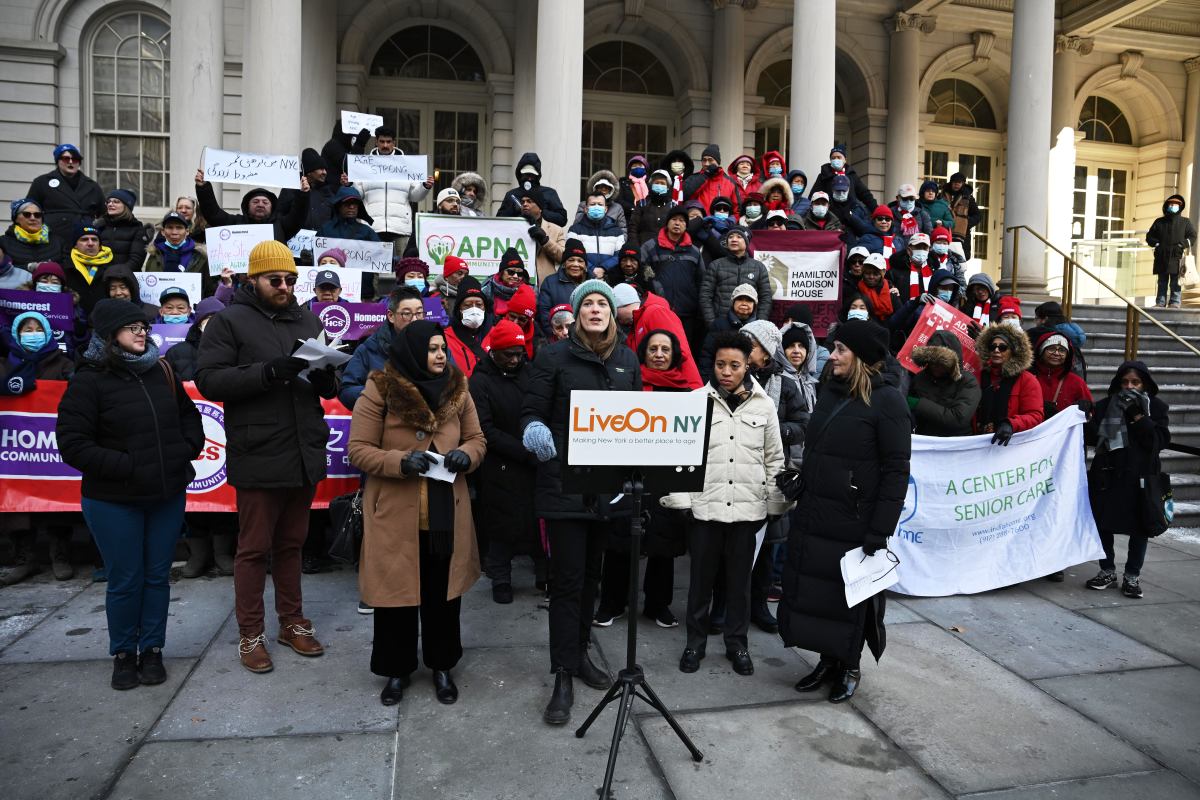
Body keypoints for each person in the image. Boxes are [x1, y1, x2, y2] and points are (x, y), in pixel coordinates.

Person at [195, 240, 341, 674]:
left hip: (303, 448)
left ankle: (292, 622)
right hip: (259, 450)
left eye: (291, 279)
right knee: (254, 549)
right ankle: (250, 634)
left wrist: (327, 377)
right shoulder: (229, 321)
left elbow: (326, 382)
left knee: (292, 544)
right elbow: (209, 380)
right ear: (253, 279)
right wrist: (267, 371)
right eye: (275, 279)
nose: (284, 286)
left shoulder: (308, 317)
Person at [56, 299, 203, 689]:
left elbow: (189, 417)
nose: (142, 331)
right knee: (126, 579)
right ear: (109, 336)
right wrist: (129, 466)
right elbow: (72, 444)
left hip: (165, 494)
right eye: (132, 326)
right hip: (113, 500)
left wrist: (185, 450)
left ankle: (152, 650)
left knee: (157, 577)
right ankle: (123, 653)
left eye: (143, 325)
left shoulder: (162, 370)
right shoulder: (88, 380)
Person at [347, 319, 485, 706]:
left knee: (443, 595)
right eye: (433, 349)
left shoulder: (458, 388)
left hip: (446, 515)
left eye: (444, 348)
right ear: (412, 352)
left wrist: (467, 455)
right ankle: (396, 670)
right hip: (396, 513)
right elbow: (358, 449)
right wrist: (399, 461)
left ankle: (442, 666)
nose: (441, 355)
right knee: (396, 596)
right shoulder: (380, 388)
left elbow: (477, 438)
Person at [521, 279, 636, 725]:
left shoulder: (627, 359)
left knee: (593, 579)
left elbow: (634, 421)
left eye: (600, 303)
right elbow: (531, 411)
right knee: (567, 585)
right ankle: (563, 673)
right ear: (576, 312)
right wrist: (536, 431)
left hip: (608, 489)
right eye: (586, 303)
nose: (594, 309)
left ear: (611, 312)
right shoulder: (552, 356)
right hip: (564, 486)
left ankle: (582, 653)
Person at [780, 319, 910, 703]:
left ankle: (849, 663)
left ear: (863, 358)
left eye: (840, 350)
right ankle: (827, 660)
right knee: (820, 596)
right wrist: (801, 481)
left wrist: (880, 529)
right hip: (818, 513)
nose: (831, 356)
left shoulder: (889, 402)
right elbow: (821, 451)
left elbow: (896, 470)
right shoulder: (832, 392)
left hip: (855, 520)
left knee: (849, 599)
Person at [666, 331, 790, 677]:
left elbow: (774, 459)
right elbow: (680, 457)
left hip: (747, 511)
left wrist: (774, 504)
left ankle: (737, 645)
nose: (726, 371)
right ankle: (695, 643)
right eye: (721, 364)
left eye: (734, 365)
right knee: (700, 584)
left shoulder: (764, 407)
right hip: (706, 510)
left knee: (739, 586)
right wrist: (683, 502)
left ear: (746, 365)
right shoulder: (696, 403)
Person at [593, 328, 698, 631]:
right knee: (620, 540)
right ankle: (612, 603)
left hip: (666, 475)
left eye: (665, 349)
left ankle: (658, 604)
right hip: (629, 471)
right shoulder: (628, 383)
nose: (659, 354)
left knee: (664, 542)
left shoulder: (687, 390)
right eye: (653, 349)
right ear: (643, 353)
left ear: (674, 354)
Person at [469, 320, 546, 604]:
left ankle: (544, 573)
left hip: (533, 459)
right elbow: (484, 429)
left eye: (518, 353)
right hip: (501, 462)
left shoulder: (530, 373)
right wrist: (525, 451)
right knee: (501, 525)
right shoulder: (480, 380)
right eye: (508, 354)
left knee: (538, 521)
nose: (515, 359)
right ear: (494, 353)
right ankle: (500, 578)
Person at [160, 297, 237, 579]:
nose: (213, 327)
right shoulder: (178, 352)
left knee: (224, 494)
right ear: (198, 323)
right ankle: (198, 553)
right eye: (208, 321)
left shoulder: (235, 350)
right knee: (194, 492)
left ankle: (223, 552)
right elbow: (166, 385)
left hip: (224, 432)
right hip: (189, 430)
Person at [1083, 361, 1171, 599]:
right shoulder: (1104, 407)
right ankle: (1107, 570)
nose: (1129, 387)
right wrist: (1084, 416)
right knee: (1102, 524)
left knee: (1139, 528)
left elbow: (1156, 442)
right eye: (1124, 382)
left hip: (1140, 477)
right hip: (1108, 474)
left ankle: (1132, 575)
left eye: (1135, 382)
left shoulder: (1158, 408)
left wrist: (1138, 416)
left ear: (1145, 384)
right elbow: (1091, 436)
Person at [339, 285, 425, 409]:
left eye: (419, 313)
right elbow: (347, 391)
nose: (415, 319)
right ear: (391, 316)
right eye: (407, 314)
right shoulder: (369, 348)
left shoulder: (434, 344)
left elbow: (453, 385)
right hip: (383, 423)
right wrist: (383, 393)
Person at [357, 127, 436, 252]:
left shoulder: (407, 164)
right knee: (373, 270)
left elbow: (415, 196)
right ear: (376, 142)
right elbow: (358, 194)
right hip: (372, 227)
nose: (385, 145)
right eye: (382, 141)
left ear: (394, 143)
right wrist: (349, 184)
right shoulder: (364, 164)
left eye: (388, 142)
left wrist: (425, 187)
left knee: (401, 269)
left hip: (400, 228)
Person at [639, 206, 703, 351]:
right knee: (659, 348)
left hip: (687, 311)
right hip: (659, 309)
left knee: (683, 350)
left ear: (686, 225)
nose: (677, 223)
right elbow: (642, 270)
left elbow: (701, 279)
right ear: (667, 223)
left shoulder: (694, 251)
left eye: (681, 221)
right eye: (674, 219)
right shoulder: (651, 246)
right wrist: (657, 291)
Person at [194, 169, 310, 245]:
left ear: (272, 207)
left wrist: (303, 194)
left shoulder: (281, 225)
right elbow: (213, 214)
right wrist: (204, 188)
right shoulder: (235, 222)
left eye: (265, 202)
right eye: (255, 202)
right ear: (247, 206)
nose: (260, 204)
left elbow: (298, 215)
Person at [972, 322, 1043, 441]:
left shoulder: (1027, 380)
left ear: (1013, 352)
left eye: (1002, 347)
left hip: (1010, 446)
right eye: (992, 346)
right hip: (978, 443)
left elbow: (1035, 416)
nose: (996, 350)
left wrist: (1011, 424)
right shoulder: (977, 376)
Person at [907, 330, 981, 436]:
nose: (935, 366)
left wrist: (918, 404)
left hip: (956, 443)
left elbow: (959, 418)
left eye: (941, 363)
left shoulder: (968, 381)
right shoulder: (920, 378)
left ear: (953, 363)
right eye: (932, 361)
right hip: (925, 441)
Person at [25, 143, 105, 236]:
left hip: (84, 239)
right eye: (66, 159)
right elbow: (29, 211)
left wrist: (95, 227)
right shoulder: (42, 182)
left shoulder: (92, 186)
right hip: (52, 238)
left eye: (75, 159)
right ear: (58, 161)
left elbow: (104, 214)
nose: (71, 162)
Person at [700, 226, 773, 328]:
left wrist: (759, 324)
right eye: (730, 237)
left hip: (750, 325)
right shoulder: (716, 265)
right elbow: (705, 296)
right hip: (721, 323)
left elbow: (765, 297)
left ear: (746, 241)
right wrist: (712, 323)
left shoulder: (759, 267)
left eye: (739, 237)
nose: (734, 239)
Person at [697, 283, 757, 378]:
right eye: (740, 299)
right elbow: (707, 356)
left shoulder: (758, 328)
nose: (744, 303)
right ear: (733, 303)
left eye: (749, 300)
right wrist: (706, 380)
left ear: (754, 305)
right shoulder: (719, 325)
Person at [1146, 194, 1195, 308]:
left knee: (1175, 282)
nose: (1173, 206)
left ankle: (1175, 302)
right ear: (1167, 206)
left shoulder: (1185, 222)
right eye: (1171, 204)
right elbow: (1150, 236)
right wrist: (1157, 244)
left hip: (1177, 256)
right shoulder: (1159, 222)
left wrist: (1182, 245)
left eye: (1176, 205)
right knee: (1162, 281)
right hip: (1161, 256)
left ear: (1180, 207)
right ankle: (1160, 302)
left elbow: (1192, 236)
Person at [497, 152, 568, 227]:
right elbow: (499, 221)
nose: (529, 178)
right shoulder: (511, 195)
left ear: (537, 175)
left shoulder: (549, 193)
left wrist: (539, 211)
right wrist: (516, 212)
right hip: (517, 236)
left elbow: (562, 219)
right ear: (520, 175)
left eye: (532, 175)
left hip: (543, 236)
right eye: (526, 175)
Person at [535, 239, 589, 338]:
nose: (576, 264)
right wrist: (556, 335)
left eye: (580, 261)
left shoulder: (593, 284)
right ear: (564, 263)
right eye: (571, 260)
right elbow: (544, 314)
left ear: (585, 265)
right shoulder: (550, 283)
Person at [1030, 333, 1091, 419]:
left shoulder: (1077, 382)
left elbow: (1090, 413)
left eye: (1062, 350)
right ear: (1041, 351)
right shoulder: (1028, 378)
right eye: (1051, 349)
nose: (1056, 353)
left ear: (1067, 356)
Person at [278, 149, 338, 232]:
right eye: (321, 169)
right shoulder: (290, 189)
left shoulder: (327, 192)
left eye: (325, 169)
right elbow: (280, 216)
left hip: (321, 242)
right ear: (309, 172)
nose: (325, 172)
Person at [442, 277, 491, 377]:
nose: (474, 309)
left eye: (479, 304)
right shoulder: (445, 337)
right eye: (467, 305)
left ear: (485, 308)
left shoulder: (496, 333)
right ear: (458, 310)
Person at [569, 190, 625, 277]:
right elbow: (572, 254)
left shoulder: (616, 231)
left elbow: (620, 255)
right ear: (586, 209)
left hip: (609, 278)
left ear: (606, 209)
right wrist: (591, 269)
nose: (596, 207)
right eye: (592, 204)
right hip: (582, 277)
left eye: (600, 204)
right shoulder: (575, 230)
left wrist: (604, 268)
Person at [515, 187, 566, 282]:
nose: (525, 204)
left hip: (545, 284)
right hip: (520, 283)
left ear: (540, 208)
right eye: (522, 202)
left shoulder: (556, 230)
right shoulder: (513, 227)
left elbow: (563, 257)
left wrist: (545, 241)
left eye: (529, 201)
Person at [63, 222, 116, 313]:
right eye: (84, 239)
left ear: (100, 245)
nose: (90, 243)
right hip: (74, 321)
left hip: (102, 321)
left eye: (94, 239)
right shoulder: (65, 268)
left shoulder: (112, 269)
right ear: (75, 245)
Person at [143, 211, 209, 278]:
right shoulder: (154, 254)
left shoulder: (199, 256)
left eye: (179, 227)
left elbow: (210, 286)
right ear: (163, 232)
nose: (174, 232)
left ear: (187, 232)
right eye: (170, 227)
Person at [810, 145, 877, 210]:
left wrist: (876, 209)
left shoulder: (852, 175)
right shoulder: (823, 176)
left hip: (850, 214)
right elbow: (813, 196)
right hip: (831, 214)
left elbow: (864, 194)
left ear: (845, 160)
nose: (836, 160)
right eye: (833, 158)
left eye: (839, 157)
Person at [2, 198, 61, 268]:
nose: (33, 218)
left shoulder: (58, 242)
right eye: (27, 214)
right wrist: (29, 267)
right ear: (16, 219)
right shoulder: (3, 243)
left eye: (37, 215)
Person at [683, 144, 744, 212]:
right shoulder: (693, 178)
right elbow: (684, 196)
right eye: (704, 160)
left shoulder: (730, 182)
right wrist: (705, 175)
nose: (706, 163)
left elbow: (737, 209)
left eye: (710, 160)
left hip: (722, 221)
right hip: (699, 221)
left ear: (717, 162)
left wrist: (729, 221)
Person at [627, 169, 675, 247]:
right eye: (656, 183)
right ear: (651, 185)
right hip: (644, 249)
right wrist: (635, 247)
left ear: (668, 187)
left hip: (666, 250)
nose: (659, 185)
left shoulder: (672, 206)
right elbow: (633, 228)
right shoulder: (642, 204)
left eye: (662, 183)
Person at [481, 248, 531, 318]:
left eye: (520, 273)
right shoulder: (487, 290)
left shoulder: (530, 291)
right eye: (511, 272)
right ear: (501, 273)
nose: (516, 276)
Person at [941, 172, 981, 259]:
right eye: (955, 182)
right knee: (942, 257)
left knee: (961, 259)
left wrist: (966, 223)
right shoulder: (941, 197)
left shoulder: (969, 198)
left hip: (963, 235)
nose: (957, 184)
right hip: (943, 232)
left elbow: (977, 216)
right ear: (951, 183)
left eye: (959, 182)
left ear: (963, 184)